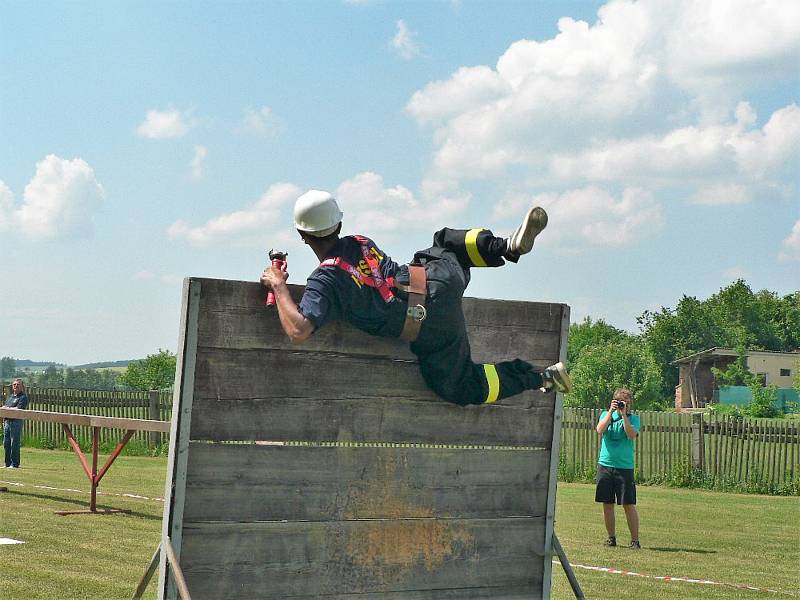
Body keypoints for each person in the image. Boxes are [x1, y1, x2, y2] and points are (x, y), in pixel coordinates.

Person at [259, 189, 572, 406]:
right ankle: (504, 246)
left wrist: (278, 284)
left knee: (461, 386)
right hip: (439, 278)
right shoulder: (359, 240)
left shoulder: (325, 281)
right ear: (339, 224)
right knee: (445, 243)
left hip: (428, 325)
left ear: (302, 236)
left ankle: (539, 378)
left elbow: (299, 330)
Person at [595, 387, 641, 549]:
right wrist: (610, 411)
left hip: (624, 467)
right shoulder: (606, 415)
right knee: (607, 503)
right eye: (620, 402)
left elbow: (631, 435)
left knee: (628, 504)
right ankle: (611, 538)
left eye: (626, 402)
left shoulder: (634, 419)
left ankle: (635, 540)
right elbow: (600, 430)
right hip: (605, 465)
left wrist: (624, 416)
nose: (623, 404)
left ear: (630, 404)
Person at [3, 378, 29, 469]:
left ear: (22, 386)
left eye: (18, 384)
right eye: (14, 384)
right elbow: (6, 406)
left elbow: (19, 409)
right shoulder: (10, 397)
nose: (16, 386)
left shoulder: (23, 397)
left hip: (16, 422)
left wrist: (8, 409)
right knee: (6, 443)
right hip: (7, 422)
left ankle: (14, 464)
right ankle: (7, 463)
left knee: (14, 443)